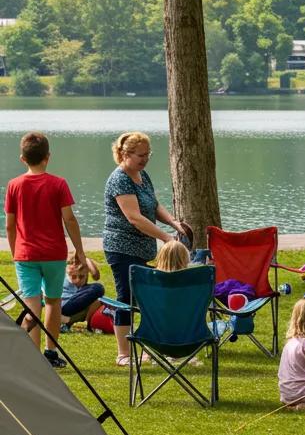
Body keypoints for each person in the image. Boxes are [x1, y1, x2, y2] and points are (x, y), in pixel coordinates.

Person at [103, 131, 189, 367]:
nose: (145, 159)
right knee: (126, 298)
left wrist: (172, 222)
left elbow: (154, 204)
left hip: (142, 248)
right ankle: (123, 354)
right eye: (140, 155)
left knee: (147, 298)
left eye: (147, 154)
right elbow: (134, 218)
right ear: (124, 154)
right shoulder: (120, 179)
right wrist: (165, 238)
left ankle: (147, 350)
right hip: (121, 248)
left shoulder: (142, 176)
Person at [4, 131, 87, 367]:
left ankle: (30, 358)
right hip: (53, 254)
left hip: (26, 255)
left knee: (32, 304)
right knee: (52, 302)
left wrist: (15, 252)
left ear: (23, 159)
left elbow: (9, 225)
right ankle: (50, 353)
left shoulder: (14, 185)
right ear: (48, 157)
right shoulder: (58, 184)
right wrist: (79, 250)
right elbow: (69, 220)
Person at [61, 253, 104, 331]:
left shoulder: (84, 285)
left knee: (100, 300)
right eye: (73, 277)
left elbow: (95, 275)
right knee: (98, 288)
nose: (78, 280)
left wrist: (86, 259)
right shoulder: (65, 272)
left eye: (81, 277)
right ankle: (68, 321)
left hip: (76, 304)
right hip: (66, 305)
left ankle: (83, 324)